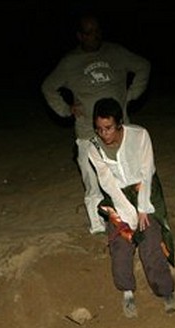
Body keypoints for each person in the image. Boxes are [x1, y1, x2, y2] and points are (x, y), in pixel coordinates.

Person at [41, 14, 151, 235]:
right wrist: (66, 109)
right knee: (93, 182)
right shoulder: (70, 62)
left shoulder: (116, 53)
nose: (95, 36)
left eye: (97, 31)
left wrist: (130, 94)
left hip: (120, 131)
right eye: (89, 32)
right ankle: (97, 226)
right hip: (87, 133)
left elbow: (143, 66)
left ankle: (129, 219)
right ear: (80, 36)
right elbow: (48, 87)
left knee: (127, 176)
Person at [85, 98, 175, 318]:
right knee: (120, 244)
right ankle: (127, 293)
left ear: (119, 123)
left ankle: (166, 292)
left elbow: (147, 171)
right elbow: (107, 182)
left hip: (144, 191)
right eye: (99, 129)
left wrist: (143, 208)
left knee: (151, 242)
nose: (104, 134)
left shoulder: (139, 135)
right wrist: (126, 213)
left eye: (108, 128)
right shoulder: (93, 147)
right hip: (118, 198)